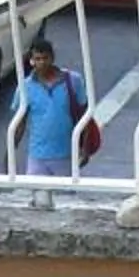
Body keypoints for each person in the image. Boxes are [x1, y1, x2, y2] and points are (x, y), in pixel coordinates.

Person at [17, 35, 89, 176]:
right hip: (37, 156)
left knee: (64, 197)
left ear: (52, 58)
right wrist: (10, 150)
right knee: (37, 196)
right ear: (32, 61)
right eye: (37, 59)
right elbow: (20, 121)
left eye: (45, 58)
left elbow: (84, 116)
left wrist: (85, 148)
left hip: (65, 155)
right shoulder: (25, 86)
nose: (42, 63)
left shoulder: (74, 80)